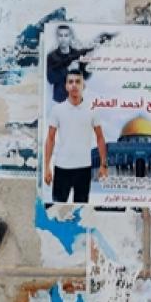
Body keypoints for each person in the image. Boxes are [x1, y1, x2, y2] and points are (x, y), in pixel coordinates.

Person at [43, 63, 108, 204]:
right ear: (66, 86)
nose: (74, 85)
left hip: (83, 168)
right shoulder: (57, 110)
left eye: (78, 82)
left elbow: (100, 138)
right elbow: (50, 138)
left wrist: (103, 165)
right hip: (62, 168)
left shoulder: (92, 111)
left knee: (81, 209)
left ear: (83, 86)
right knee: (57, 208)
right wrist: (47, 167)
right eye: (70, 82)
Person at [46, 25, 113, 103]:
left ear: (70, 37)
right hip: (60, 101)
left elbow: (85, 76)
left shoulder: (76, 53)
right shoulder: (51, 56)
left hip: (78, 100)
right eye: (61, 35)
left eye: (66, 35)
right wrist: (67, 69)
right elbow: (50, 78)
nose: (63, 38)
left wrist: (87, 64)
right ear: (57, 37)